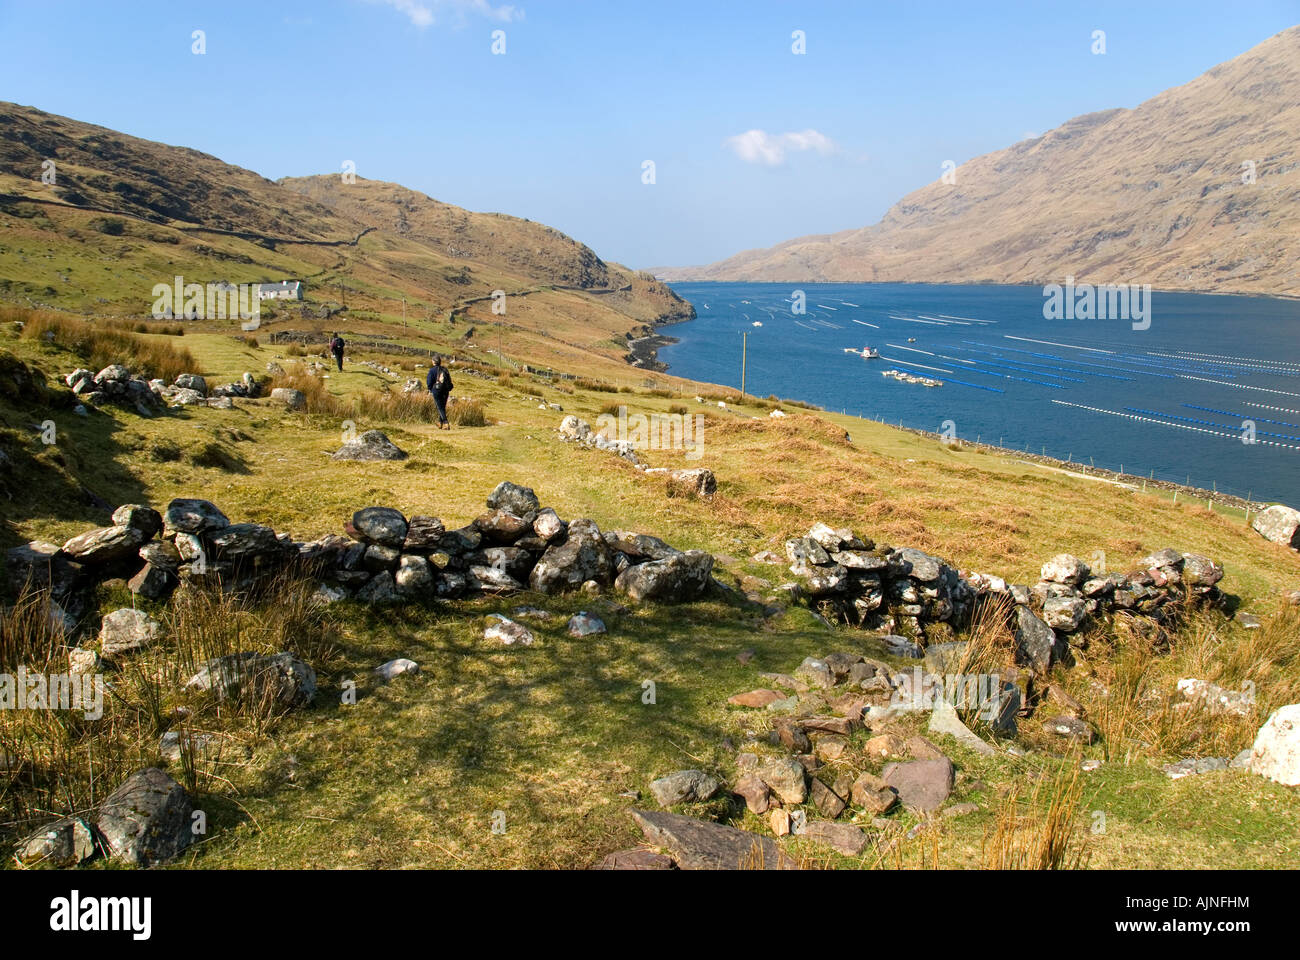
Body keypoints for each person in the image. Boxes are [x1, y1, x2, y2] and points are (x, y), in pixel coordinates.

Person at [427, 355, 453, 429]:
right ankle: (440, 423)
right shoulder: (445, 369)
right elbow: (449, 380)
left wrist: (430, 389)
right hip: (446, 390)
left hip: (437, 390)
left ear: (434, 362)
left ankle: (446, 423)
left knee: (439, 407)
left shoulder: (432, 370)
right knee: (442, 407)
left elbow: (429, 382)